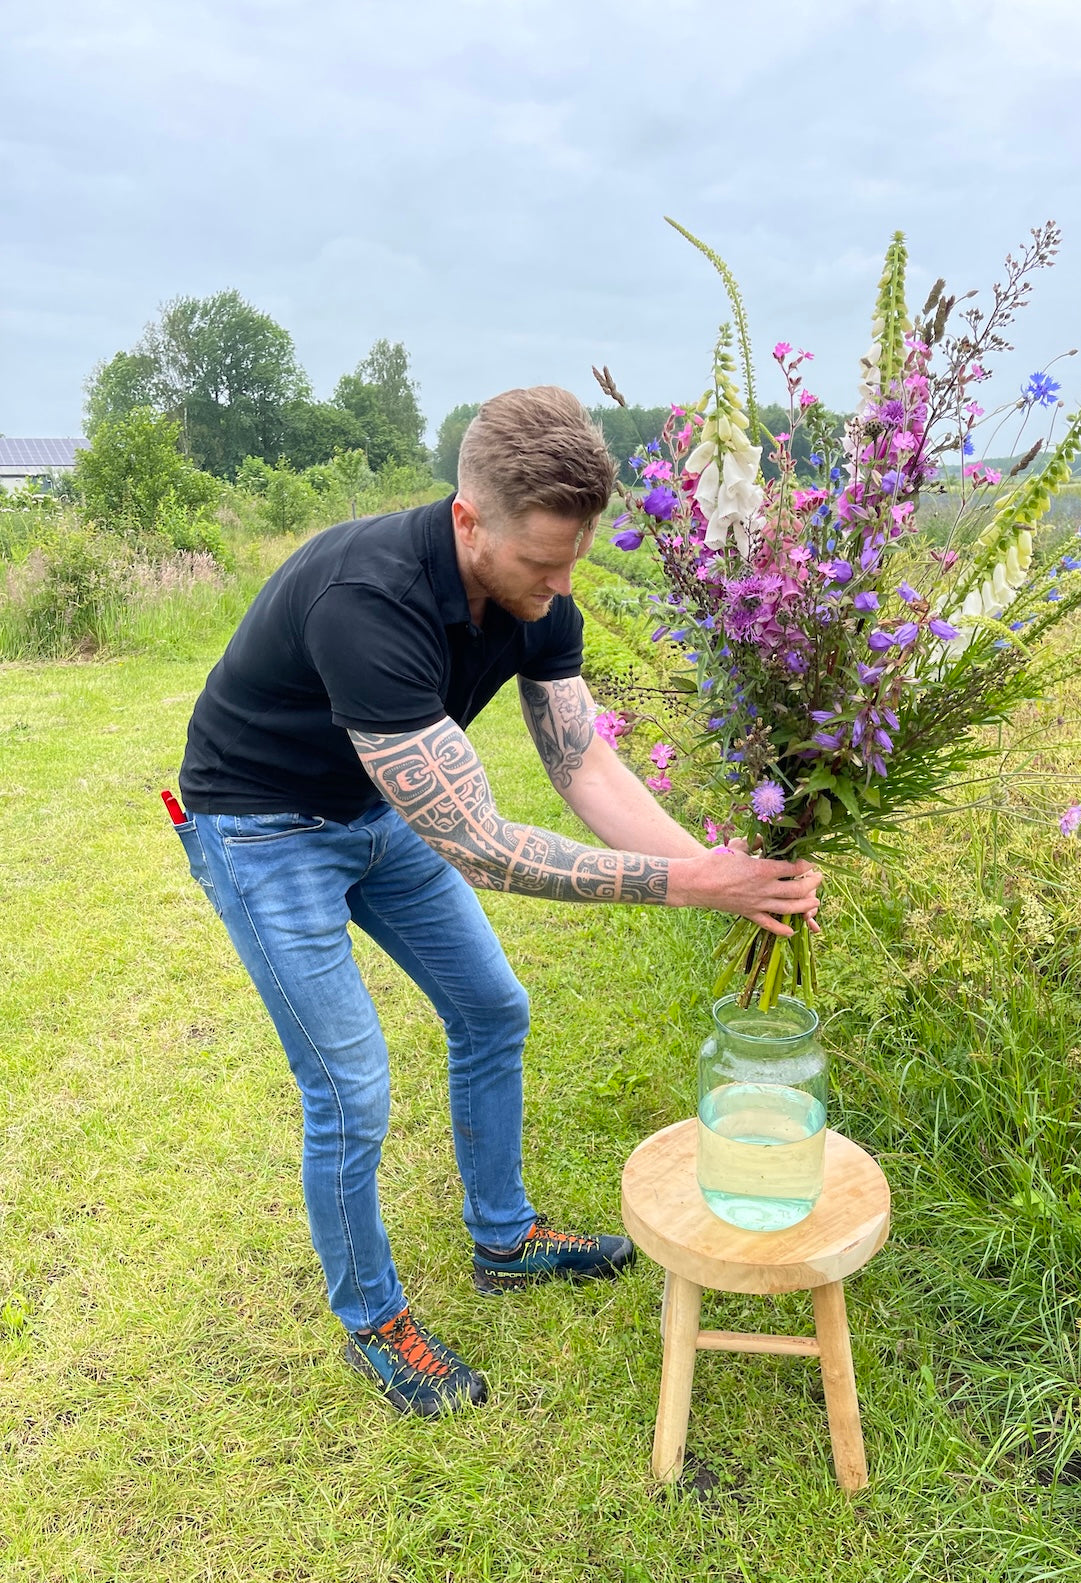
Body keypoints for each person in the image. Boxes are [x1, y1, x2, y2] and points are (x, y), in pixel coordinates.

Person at [173, 386, 821, 1418]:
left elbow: (584, 766)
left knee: (492, 1009)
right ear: (468, 519)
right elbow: (479, 843)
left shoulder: (538, 593)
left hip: (376, 810)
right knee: (350, 1089)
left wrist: (719, 875)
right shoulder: (367, 600)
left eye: (573, 561)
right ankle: (373, 1318)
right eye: (542, 563)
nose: (561, 587)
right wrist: (688, 883)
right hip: (261, 826)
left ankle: (505, 1240)